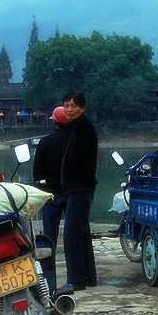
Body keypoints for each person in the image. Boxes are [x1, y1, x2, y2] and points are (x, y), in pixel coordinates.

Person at [58, 90, 98, 293]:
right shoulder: (74, 127)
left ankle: (75, 280)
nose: (69, 109)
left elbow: (79, 161)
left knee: (71, 234)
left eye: (73, 106)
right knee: (82, 232)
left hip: (80, 187)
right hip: (76, 187)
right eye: (66, 105)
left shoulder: (84, 128)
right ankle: (89, 276)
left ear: (83, 108)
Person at [32, 106, 69, 290]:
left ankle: (49, 277)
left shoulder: (45, 143)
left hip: (50, 195)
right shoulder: (74, 142)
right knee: (73, 235)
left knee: (49, 238)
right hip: (72, 193)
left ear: (53, 121)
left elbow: (36, 173)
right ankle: (75, 275)